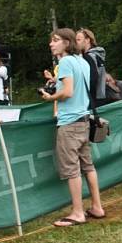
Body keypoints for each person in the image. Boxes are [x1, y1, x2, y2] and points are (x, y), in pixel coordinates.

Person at [39, 28, 105, 226]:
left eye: (56, 40)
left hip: (69, 123)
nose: (51, 44)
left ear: (67, 43)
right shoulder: (82, 61)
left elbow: (67, 92)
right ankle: (97, 207)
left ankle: (77, 213)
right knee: (88, 166)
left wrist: (50, 96)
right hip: (84, 120)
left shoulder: (65, 61)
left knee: (71, 169)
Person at [76, 28, 109, 103]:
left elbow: (93, 78)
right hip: (101, 94)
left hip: (93, 97)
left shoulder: (89, 56)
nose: (76, 43)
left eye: (78, 40)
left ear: (87, 40)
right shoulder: (97, 54)